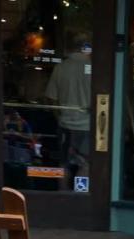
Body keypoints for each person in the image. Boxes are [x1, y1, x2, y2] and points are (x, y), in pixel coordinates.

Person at [45, 32, 92, 187]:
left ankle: (63, 197)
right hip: (87, 125)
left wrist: (59, 117)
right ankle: (81, 198)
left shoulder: (60, 68)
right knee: (85, 165)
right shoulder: (94, 68)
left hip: (65, 124)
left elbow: (51, 99)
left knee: (64, 164)